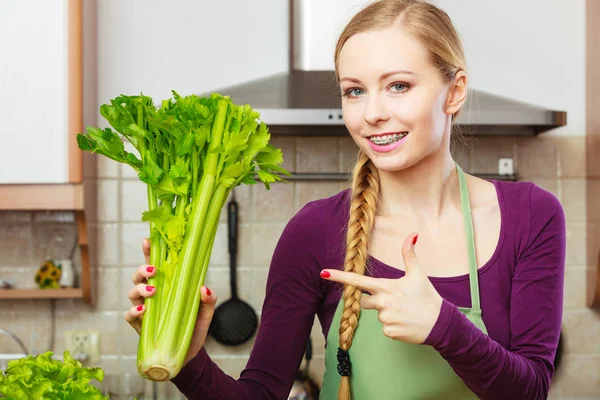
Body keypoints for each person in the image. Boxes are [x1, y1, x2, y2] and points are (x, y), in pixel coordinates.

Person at [125, 0, 566, 398]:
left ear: (454, 91)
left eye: (398, 86)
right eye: (354, 90)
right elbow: (260, 395)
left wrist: (442, 326)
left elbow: (529, 392)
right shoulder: (314, 230)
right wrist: (186, 358)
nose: (371, 113)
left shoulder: (531, 216)